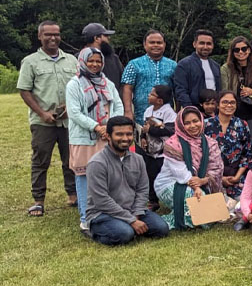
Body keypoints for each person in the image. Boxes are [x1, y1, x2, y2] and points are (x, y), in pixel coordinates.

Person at [17, 20, 79, 216]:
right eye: (48, 34)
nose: (53, 38)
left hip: (68, 120)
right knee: (41, 159)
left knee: (71, 159)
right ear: (39, 36)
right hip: (42, 122)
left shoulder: (71, 60)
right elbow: (24, 90)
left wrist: (70, 107)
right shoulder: (30, 61)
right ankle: (38, 200)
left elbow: (79, 86)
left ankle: (73, 195)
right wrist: (42, 113)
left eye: (56, 34)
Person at [84, 116, 170, 245]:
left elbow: (142, 190)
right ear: (108, 136)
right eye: (119, 134)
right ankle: (94, 231)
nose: (125, 138)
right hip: (103, 213)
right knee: (125, 234)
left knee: (161, 228)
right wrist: (131, 220)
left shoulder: (138, 159)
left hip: (133, 210)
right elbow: (101, 200)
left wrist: (136, 214)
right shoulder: (97, 163)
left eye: (129, 134)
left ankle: (128, 226)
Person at [65, 47, 124, 232]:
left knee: (108, 175)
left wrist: (110, 127)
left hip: (107, 136)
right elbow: (74, 112)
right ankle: (86, 218)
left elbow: (118, 105)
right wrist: (97, 127)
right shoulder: (74, 84)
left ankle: (109, 212)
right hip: (85, 138)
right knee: (85, 176)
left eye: (98, 61)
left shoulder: (107, 83)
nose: (95, 64)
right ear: (83, 61)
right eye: (91, 60)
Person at [154, 107, 224, 230]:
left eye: (195, 121)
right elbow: (180, 173)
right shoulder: (173, 145)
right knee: (196, 200)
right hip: (170, 183)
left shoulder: (210, 143)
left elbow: (216, 168)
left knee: (207, 213)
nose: (192, 126)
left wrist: (203, 181)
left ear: (201, 121)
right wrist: (196, 187)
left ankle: (194, 216)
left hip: (200, 182)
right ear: (181, 125)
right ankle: (168, 221)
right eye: (187, 123)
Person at [204, 91, 252, 201]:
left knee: (244, 204)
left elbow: (248, 154)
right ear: (218, 105)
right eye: (225, 102)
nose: (229, 105)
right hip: (211, 177)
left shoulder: (242, 125)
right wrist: (219, 178)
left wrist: (237, 177)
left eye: (232, 102)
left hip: (237, 176)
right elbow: (199, 155)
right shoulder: (206, 125)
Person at [121, 29, 177, 122]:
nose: (156, 45)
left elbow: (177, 89)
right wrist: (128, 111)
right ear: (145, 44)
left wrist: (178, 111)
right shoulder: (134, 64)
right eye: (152, 42)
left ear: (164, 45)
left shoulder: (173, 65)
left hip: (167, 117)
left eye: (159, 43)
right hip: (141, 116)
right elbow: (127, 88)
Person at [221, 35, 252, 145]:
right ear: (232, 52)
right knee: (233, 146)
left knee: (251, 146)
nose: (241, 52)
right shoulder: (225, 69)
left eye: (244, 49)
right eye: (237, 50)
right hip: (233, 114)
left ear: (249, 50)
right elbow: (223, 92)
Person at [138, 84, 176, 211]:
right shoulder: (148, 111)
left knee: (164, 176)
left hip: (163, 153)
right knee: (150, 175)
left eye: (152, 94)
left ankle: (170, 198)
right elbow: (144, 128)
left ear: (160, 100)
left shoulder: (169, 113)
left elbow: (170, 130)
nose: (148, 96)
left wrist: (151, 130)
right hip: (150, 151)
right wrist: (143, 137)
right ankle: (153, 200)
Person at [173, 29, 221, 109]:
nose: (205, 47)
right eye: (202, 43)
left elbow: (219, 89)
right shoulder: (184, 64)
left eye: (209, 44)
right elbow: (181, 90)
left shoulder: (216, 66)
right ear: (194, 44)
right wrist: (190, 109)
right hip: (194, 109)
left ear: (212, 46)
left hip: (213, 110)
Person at [81, 22, 124, 92]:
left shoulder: (114, 59)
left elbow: (123, 84)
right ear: (96, 38)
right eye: (106, 36)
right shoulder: (78, 59)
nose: (109, 38)